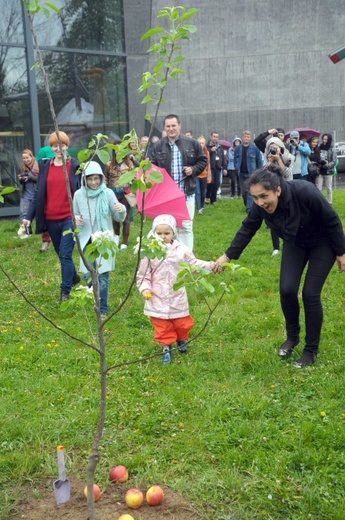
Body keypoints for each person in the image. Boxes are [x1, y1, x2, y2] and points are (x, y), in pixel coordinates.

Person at [215, 164, 345, 368]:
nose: (260, 202)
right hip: (295, 242)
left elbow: (332, 219)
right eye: (255, 197)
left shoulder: (305, 191)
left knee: (310, 294)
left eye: (264, 196)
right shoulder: (261, 207)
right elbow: (248, 228)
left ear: (278, 189)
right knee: (286, 289)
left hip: (323, 243)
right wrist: (227, 256)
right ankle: (292, 337)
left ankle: (311, 350)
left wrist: (341, 251)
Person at [136, 214, 215, 364]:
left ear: (173, 233)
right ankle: (167, 349)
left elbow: (193, 264)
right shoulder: (149, 252)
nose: (163, 236)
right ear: (153, 233)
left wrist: (211, 266)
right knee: (162, 326)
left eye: (167, 233)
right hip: (157, 296)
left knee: (182, 323)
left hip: (176, 295)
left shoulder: (181, 250)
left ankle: (182, 339)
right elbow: (143, 275)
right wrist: (145, 289)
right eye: (158, 233)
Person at [23, 131, 81, 303]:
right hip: (51, 219)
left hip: (69, 218)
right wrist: (28, 216)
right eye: (55, 145)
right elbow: (38, 195)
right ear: (51, 147)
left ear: (67, 146)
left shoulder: (75, 166)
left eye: (62, 145)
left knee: (65, 254)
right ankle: (74, 277)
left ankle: (65, 292)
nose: (58, 148)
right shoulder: (45, 166)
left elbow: (82, 192)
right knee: (61, 254)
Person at [73, 161, 127, 319]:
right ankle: (95, 296)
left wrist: (121, 210)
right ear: (85, 180)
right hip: (86, 239)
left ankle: (102, 308)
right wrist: (76, 222)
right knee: (89, 274)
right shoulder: (78, 195)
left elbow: (118, 216)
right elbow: (75, 216)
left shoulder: (108, 193)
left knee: (103, 275)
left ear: (101, 178)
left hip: (103, 239)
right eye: (90, 179)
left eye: (96, 178)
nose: (93, 182)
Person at [149, 114, 207, 250]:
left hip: (187, 193)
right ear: (164, 128)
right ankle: (169, 256)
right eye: (168, 126)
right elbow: (151, 166)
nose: (171, 129)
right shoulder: (158, 146)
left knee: (186, 226)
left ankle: (186, 258)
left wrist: (193, 169)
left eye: (173, 125)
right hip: (167, 196)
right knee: (168, 226)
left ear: (179, 126)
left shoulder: (192, 143)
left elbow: (203, 160)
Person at [264, 137, 294, 256]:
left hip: (287, 190)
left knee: (289, 219)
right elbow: (264, 174)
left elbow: (287, 173)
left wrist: (279, 159)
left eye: (275, 146)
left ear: (281, 147)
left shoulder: (289, 157)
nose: (273, 149)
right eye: (271, 147)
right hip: (273, 192)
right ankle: (276, 247)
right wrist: (271, 161)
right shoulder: (267, 158)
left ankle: (290, 244)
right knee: (273, 220)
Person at [104, 149, 134, 250]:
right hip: (113, 193)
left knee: (126, 218)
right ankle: (116, 237)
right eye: (116, 149)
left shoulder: (129, 163)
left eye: (120, 148)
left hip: (126, 193)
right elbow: (106, 178)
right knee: (115, 217)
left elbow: (135, 176)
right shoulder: (109, 164)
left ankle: (125, 242)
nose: (118, 151)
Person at [234, 130, 263, 212]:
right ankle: (247, 204)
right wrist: (236, 167)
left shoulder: (255, 149)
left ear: (250, 138)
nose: (246, 138)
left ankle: (249, 208)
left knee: (250, 191)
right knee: (244, 192)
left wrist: (259, 172)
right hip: (241, 173)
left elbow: (259, 161)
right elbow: (235, 158)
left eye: (248, 137)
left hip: (251, 173)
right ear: (243, 137)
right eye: (245, 137)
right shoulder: (238, 148)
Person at [17, 149, 37, 238]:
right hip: (26, 195)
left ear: (32, 157)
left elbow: (40, 179)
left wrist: (30, 178)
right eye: (24, 158)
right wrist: (21, 179)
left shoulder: (37, 167)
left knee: (36, 215)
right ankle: (26, 233)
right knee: (23, 214)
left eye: (27, 158)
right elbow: (24, 182)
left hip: (36, 195)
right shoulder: (24, 168)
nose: (25, 160)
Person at [205, 132, 227, 205]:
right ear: (211, 137)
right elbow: (205, 156)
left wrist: (224, 167)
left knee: (216, 184)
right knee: (210, 183)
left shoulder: (220, 147)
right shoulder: (207, 146)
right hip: (210, 168)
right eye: (214, 137)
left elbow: (222, 158)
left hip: (218, 168)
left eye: (216, 137)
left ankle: (213, 200)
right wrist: (211, 151)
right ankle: (207, 196)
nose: (215, 138)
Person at [315, 133, 337, 205]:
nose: (324, 141)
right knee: (318, 188)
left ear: (329, 140)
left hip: (328, 171)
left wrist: (327, 165)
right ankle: (320, 202)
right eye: (323, 139)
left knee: (328, 188)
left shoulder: (332, 148)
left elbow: (334, 161)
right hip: (319, 171)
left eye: (326, 139)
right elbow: (317, 157)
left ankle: (329, 202)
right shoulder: (319, 147)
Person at [196, 136, 211, 214]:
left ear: (204, 144)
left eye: (202, 143)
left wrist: (209, 176)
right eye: (199, 143)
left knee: (203, 192)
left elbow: (208, 165)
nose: (201, 144)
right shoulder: (195, 152)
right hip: (197, 175)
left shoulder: (207, 152)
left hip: (204, 175)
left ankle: (202, 206)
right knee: (198, 192)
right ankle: (199, 208)